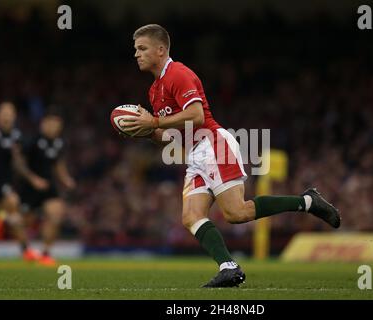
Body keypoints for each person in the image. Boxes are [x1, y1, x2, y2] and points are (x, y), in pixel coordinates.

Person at [121, 24, 341, 287]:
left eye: (142, 48)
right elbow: (173, 136)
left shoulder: (178, 74)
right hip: (194, 154)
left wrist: (154, 122)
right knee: (191, 216)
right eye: (136, 49)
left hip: (214, 144)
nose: (137, 54)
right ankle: (229, 267)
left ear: (160, 49)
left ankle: (307, 201)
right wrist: (143, 132)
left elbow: (197, 115)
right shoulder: (154, 91)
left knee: (237, 213)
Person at [18, 110, 76, 266]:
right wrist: (32, 179)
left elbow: (58, 163)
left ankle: (45, 253)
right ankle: (26, 250)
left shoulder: (59, 142)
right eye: (50, 123)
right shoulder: (32, 141)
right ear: (43, 124)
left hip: (49, 186)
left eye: (56, 124)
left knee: (56, 215)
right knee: (23, 222)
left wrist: (65, 179)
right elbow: (20, 163)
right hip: (29, 187)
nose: (53, 127)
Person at [0, 101, 40, 261]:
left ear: (14, 116)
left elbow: (18, 162)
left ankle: (26, 251)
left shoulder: (16, 136)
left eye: (10, 112)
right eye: (3, 112)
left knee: (15, 212)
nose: (6, 115)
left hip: (4, 183)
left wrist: (32, 178)